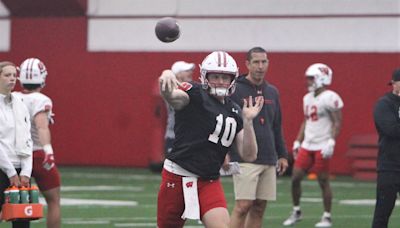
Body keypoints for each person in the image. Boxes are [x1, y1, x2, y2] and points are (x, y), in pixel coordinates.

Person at [157, 51, 264, 228]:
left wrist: (248, 122)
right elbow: (173, 97)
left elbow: (250, 155)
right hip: (178, 176)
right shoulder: (196, 94)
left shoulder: (235, 111)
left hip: (208, 180)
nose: (220, 82)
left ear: (232, 80)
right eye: (215, 76)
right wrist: (166, 78)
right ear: (205, 76)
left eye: (224, 77)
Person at [229, 47, 289, 228]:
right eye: (256, 62)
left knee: (260, 207)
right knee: (243, 205)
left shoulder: (272, 92)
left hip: (269, 157)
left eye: (264, 62)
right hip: (244, 157)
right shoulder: (236, 90)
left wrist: (282, 154)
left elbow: (276, 126)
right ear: (247, 64)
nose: (260, 66)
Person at [283, 63, 343, 227]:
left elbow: (337, 122)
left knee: (323, 181)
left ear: (322, 78)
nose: (308, 81)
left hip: (322, 144)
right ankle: (296, 211)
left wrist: (331, 141)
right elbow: (306, 121)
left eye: (311, 78)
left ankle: (327, 216)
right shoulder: (307, 98)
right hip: (307, 144)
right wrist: (297, 141)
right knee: (295, 177)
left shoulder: (330, 97)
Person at [14, 58, 61, 228]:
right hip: (37, 153)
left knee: (11, 201)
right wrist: (48, 151)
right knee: (53, 201)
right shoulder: (41, 100)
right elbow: (41, 126)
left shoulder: (12, 97)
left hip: (15, 156)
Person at [0, 61, 33, 228]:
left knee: (22, 222)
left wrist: (26, 171)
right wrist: (10, 171)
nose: (12, 79)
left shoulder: (21, 104)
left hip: (20, 172)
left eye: (14, 75)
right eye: (7, 75)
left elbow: (27, 139)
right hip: (3, 169)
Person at [372, 68, 400, 228]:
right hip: (389, 166)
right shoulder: (384, 104)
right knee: (382, 213)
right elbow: (391, 130)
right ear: (394, 84)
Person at [164, 61, 195, 155]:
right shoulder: (171, 90)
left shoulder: (193, 89)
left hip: (189, 138)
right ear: (178, 74)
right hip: (174, 137)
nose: (190, 72)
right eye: (186, 70)